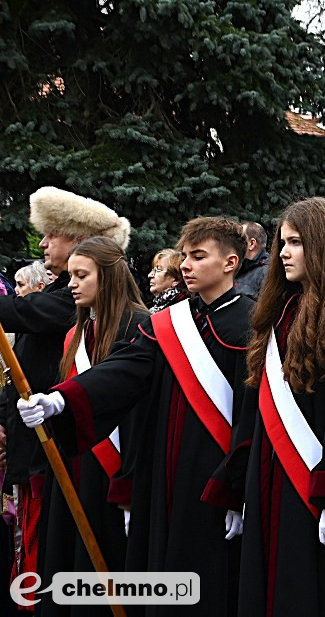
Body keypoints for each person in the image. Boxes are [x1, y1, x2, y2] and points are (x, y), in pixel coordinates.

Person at [21, 217, 253, 617]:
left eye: (199, 257)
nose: (186, 266)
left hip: (216, 477)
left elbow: (254, 414)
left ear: (231, 263)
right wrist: (62, 399)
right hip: (164, 475)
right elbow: (126, 368)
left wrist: (239, 489)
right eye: (185, 257)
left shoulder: (250, 323)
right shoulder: (174, 321)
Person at [0, 186, 129, 600]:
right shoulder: (62, 293)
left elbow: (24, 312)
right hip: (32, 442)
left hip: (59, 449)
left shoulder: (73, 302)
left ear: (77, 238)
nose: (41, 244)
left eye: (50, 235)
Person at [231, 197, 325, 615]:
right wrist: (237, 486)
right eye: (283, 242)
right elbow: (254, 404)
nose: (283, 252)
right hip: (268, 470)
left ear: (322, 245)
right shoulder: (279, 310)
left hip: (311, 474)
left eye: (297, 242)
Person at [35, 237, 149, 616]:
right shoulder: (77, 333)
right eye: (70, 275)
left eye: (82, 275)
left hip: (114, 468)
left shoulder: (140, 326)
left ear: (110, 276)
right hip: (76, 465)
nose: (72, 284)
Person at [147, 248, 188, 313]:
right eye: (153, 270)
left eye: (158, 269)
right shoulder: (154, 307)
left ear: (176, 280)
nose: (150, 275)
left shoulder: (181, 310)